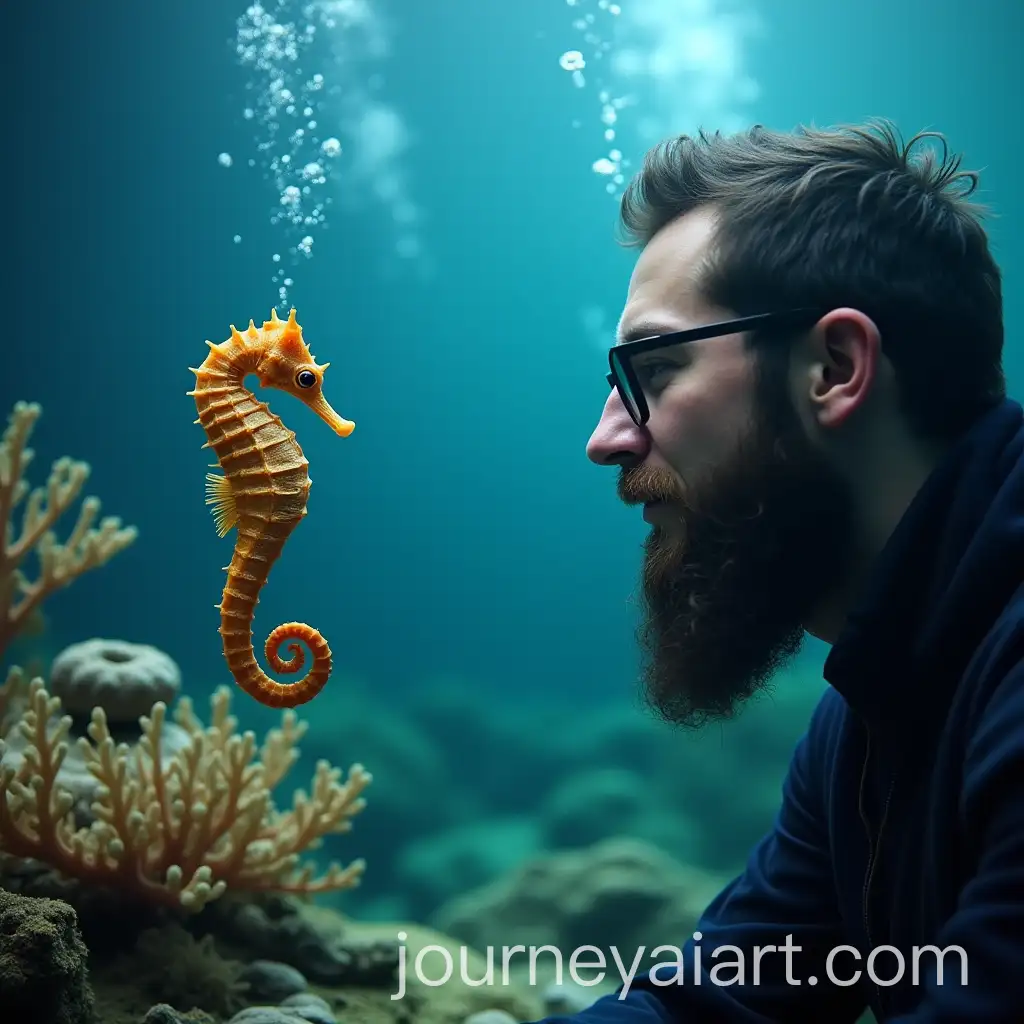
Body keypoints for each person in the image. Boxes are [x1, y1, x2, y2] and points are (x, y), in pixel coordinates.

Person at [531, 120, 1024, 1022]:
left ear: (836, 367)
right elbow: (727, 1001)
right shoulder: (871, 706)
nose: (605, 440)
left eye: (658, 369)